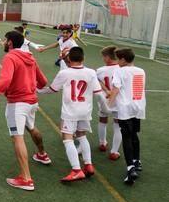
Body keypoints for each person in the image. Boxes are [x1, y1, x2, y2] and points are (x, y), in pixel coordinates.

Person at [0, 31, 50, 191]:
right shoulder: (30, 57)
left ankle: (26, 178)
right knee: (31, 127)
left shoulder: (10, 57)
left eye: (5, 40)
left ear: (10, 42)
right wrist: (30, 86)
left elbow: (5, 81)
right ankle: (42, 154)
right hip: (32, 101)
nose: (3, 42)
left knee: (17, 137)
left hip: (17, 104)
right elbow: (43, 81)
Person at [37, 47, 104, 182]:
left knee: (67, 139)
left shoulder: (64, 73)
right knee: (82, 136)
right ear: (83, 58)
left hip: (70, 112)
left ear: (69, 59)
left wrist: (37, 90)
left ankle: (76, 170)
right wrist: (106, 107)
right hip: (85, 111)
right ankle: (89, 165)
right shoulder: (91, 72)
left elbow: (52, 90)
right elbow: (98, 92)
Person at [107, 48, 146, 185]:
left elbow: (116, 89)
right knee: (134, 134)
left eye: (118, 59)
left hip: (125, 108)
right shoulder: (141, 71)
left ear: (123, 59)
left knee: (127, 136)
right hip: (138, 106)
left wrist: (109, 104)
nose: (117, 61)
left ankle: (130, 168)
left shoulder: (120, 71)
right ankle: (137, 161)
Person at [96, 46, 122, 160]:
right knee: (118, 124)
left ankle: (102, 143)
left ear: (107, 57)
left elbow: (96, 81)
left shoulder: (100, 70)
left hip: (104, 100)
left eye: (103, 56)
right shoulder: (122, 70)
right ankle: (114, 151)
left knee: (102, 119)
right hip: (118, 101)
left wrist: (106, 90)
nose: (102, 58)